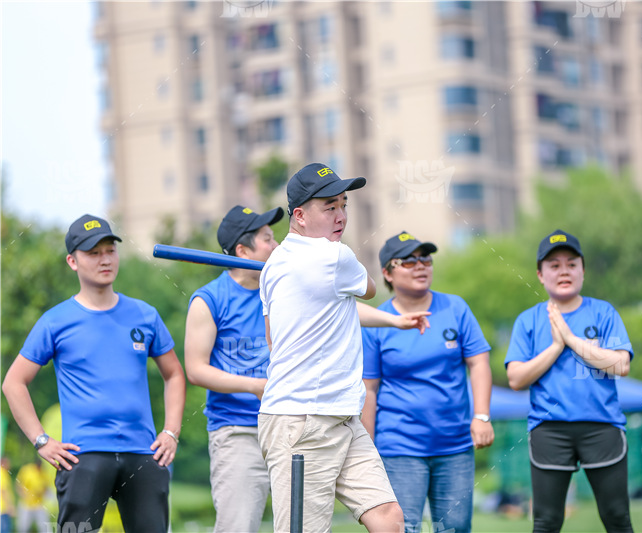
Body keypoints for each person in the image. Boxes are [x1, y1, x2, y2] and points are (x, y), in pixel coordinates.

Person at [258, 163, 430, 533]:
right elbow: (366, 289)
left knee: (388, 519)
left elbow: (329, 310)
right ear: (300, 216)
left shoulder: (275, 265)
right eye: (329, 207)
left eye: (343, 204)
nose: (341, 217)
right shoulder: (334, 257)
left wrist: (394, 320)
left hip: (342, 416)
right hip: (304, 420)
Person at [1, 214, 186, 533]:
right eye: (93, 253)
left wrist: (170, 432)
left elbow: (175, 375)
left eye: (110, 250)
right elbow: (13, 382)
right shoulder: (55, 321)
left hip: (143, 453)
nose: (105, 259)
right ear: (73, 261)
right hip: (83, 457)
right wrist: (42, 440)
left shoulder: (145, 314)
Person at [361, 231, 494, 533]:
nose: (420, 265)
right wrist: (367, 451)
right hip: (399, 446)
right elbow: (368, 388)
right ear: (387, 273)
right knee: (404, 528)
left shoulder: (455, 308)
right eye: (408, 261)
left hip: (455, 445)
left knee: (455, 528)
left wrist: (482, 416)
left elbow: (479, 362)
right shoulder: (376, 321)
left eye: (425, 259)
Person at [505, 229, 634, 533]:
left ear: (583, 271)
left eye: (571, 263)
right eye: (554, 265)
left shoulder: (603, 312)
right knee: (547, 521)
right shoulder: (528, 320)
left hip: (602, 426)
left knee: (617, 516)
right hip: (550, 430)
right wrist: (555, 346)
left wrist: (571, 339)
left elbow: (621, 364)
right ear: (540, 274)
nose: (564, 270)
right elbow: (516, 378)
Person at [184, 205, 284, 532]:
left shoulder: (283, 292)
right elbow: (196, 370)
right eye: (267, 239)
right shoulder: (209, 300)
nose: (277, 245)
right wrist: (255, 385)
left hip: (289, 427)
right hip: (238, 431)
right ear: (242, 251)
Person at [15, 458, 50, 533]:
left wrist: (41, 492)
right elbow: (18, 484)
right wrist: (24, 495)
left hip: (38, 504)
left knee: (45, 527)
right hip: (26, 504)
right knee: (23, 527)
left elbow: (46, 487)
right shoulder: (27, 470)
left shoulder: (43, 473)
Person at [1, 457, 15, 533]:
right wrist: (9, 506)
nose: (10, 466)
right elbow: (3, 491)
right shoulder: (2, 473)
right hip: (3, 508)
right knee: (5, 529)